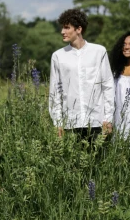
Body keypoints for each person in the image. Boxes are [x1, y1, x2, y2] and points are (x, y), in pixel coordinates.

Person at [48, 8, 115, 147]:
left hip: (96, 121)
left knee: (97, 165)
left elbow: (108, 86)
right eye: (62, 28)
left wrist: (108, 118)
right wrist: (58, 123)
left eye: (67, 28)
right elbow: (55, 93)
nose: (62, 32)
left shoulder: (99, 52)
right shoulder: (58, 56)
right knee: (72, 166)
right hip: (70, 124)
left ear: (79, 29)